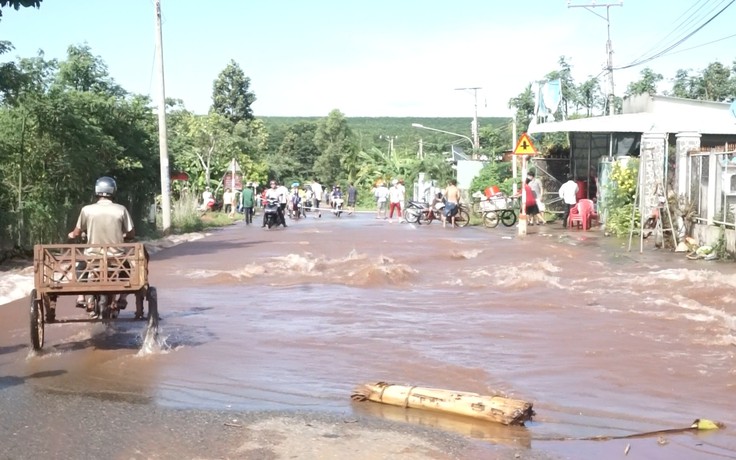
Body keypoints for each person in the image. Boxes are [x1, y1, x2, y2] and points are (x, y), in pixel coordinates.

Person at [50, 176, 136, 322]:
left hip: (92, 256)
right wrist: (125, 236)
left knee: (80, 267)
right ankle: (122, 297)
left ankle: (81, 295)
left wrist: (72, 234)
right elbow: (131, 233)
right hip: (116, 256)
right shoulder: (121, 209)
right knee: (128, 272)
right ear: (113, 191)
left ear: (97, 191)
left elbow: (76, 232)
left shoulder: (87, 210)